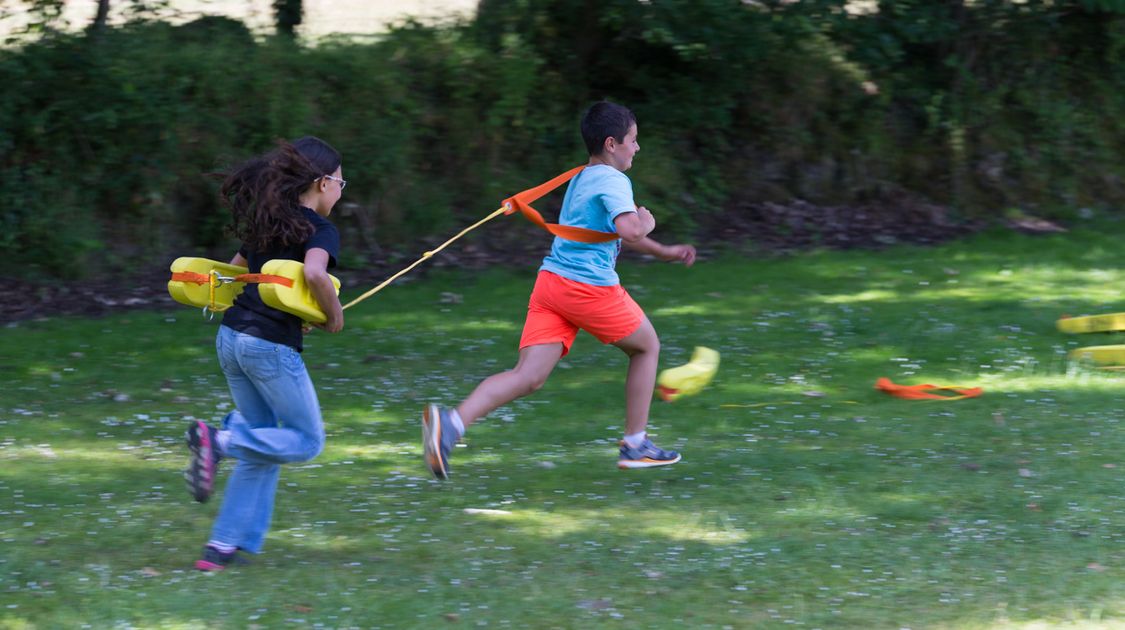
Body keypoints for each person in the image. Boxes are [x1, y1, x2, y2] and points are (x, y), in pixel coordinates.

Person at [423, 101, 696, 480]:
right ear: (612, 143)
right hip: (587, 288)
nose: (638, 148)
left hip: (551, 285)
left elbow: (617, 230)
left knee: (528, 377)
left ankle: (450, 425)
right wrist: (648, 223)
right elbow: (632, 229)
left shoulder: (585, 177)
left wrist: (663, 251)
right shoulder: (614, 181)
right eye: (634, 140)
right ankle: (636, 444)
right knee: (647, 347)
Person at [182, 136, 346, 571]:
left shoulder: (266, 219)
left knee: (264, 442)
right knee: (307, 441)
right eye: (342, 182)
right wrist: (332, 315)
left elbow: (240, 273)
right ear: (323, 182)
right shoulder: (320, 229)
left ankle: (221, 547)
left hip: (232, 339)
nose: (342, 191)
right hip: (268, 348)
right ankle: (218, 441)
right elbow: (313, 271)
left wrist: (300, 310)